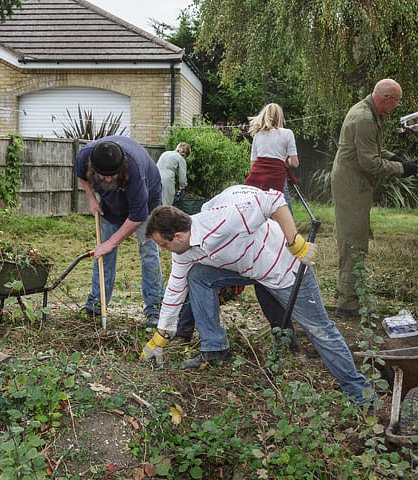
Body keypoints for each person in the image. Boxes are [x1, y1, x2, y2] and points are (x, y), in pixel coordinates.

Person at [140, 185, 373, 405]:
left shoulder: (221, 221)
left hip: (283, 270)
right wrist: (160, 337)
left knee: (320, 330)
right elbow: (174, 289)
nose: (163, 250)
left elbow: (273, 200)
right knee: (197, 276)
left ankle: (359, 392)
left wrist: (295, 242)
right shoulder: (182, 253)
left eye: (163, 244)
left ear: (178, 236)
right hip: (247, 268)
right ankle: (215, 349)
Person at [331, 78, 418, 318]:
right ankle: (348, 304)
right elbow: (370, 162)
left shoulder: (369, 111)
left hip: (353, 181)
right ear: (386, 99)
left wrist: (397, 157)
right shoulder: (365, 118)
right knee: (353, 241)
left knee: (352, 235)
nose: (396, 107)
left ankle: (346, 289)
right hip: (352, 184)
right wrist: (403, 169)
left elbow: (372, 149)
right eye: (397, 102)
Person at [73, 135, 164, 327]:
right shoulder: (85, 155)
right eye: (102, 175)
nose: (107, 178)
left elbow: (138, 216)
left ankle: (155, 309)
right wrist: (91, 198)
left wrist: (111, 243)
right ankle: (96, 305)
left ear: (121, 168)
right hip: (110, 205)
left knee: (148, 253)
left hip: (146, 205)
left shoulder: (136, 170)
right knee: (103, 255)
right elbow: (81, 175)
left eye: (112, 175)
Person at [244, 103, 299, 212]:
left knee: (257, 210)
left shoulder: (258, 135)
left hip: (257, 177)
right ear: (280, 117)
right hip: (277, 176)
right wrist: (286, 160)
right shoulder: (287, 134)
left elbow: (253, 164)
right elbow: (295, 163)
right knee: (284, 210)